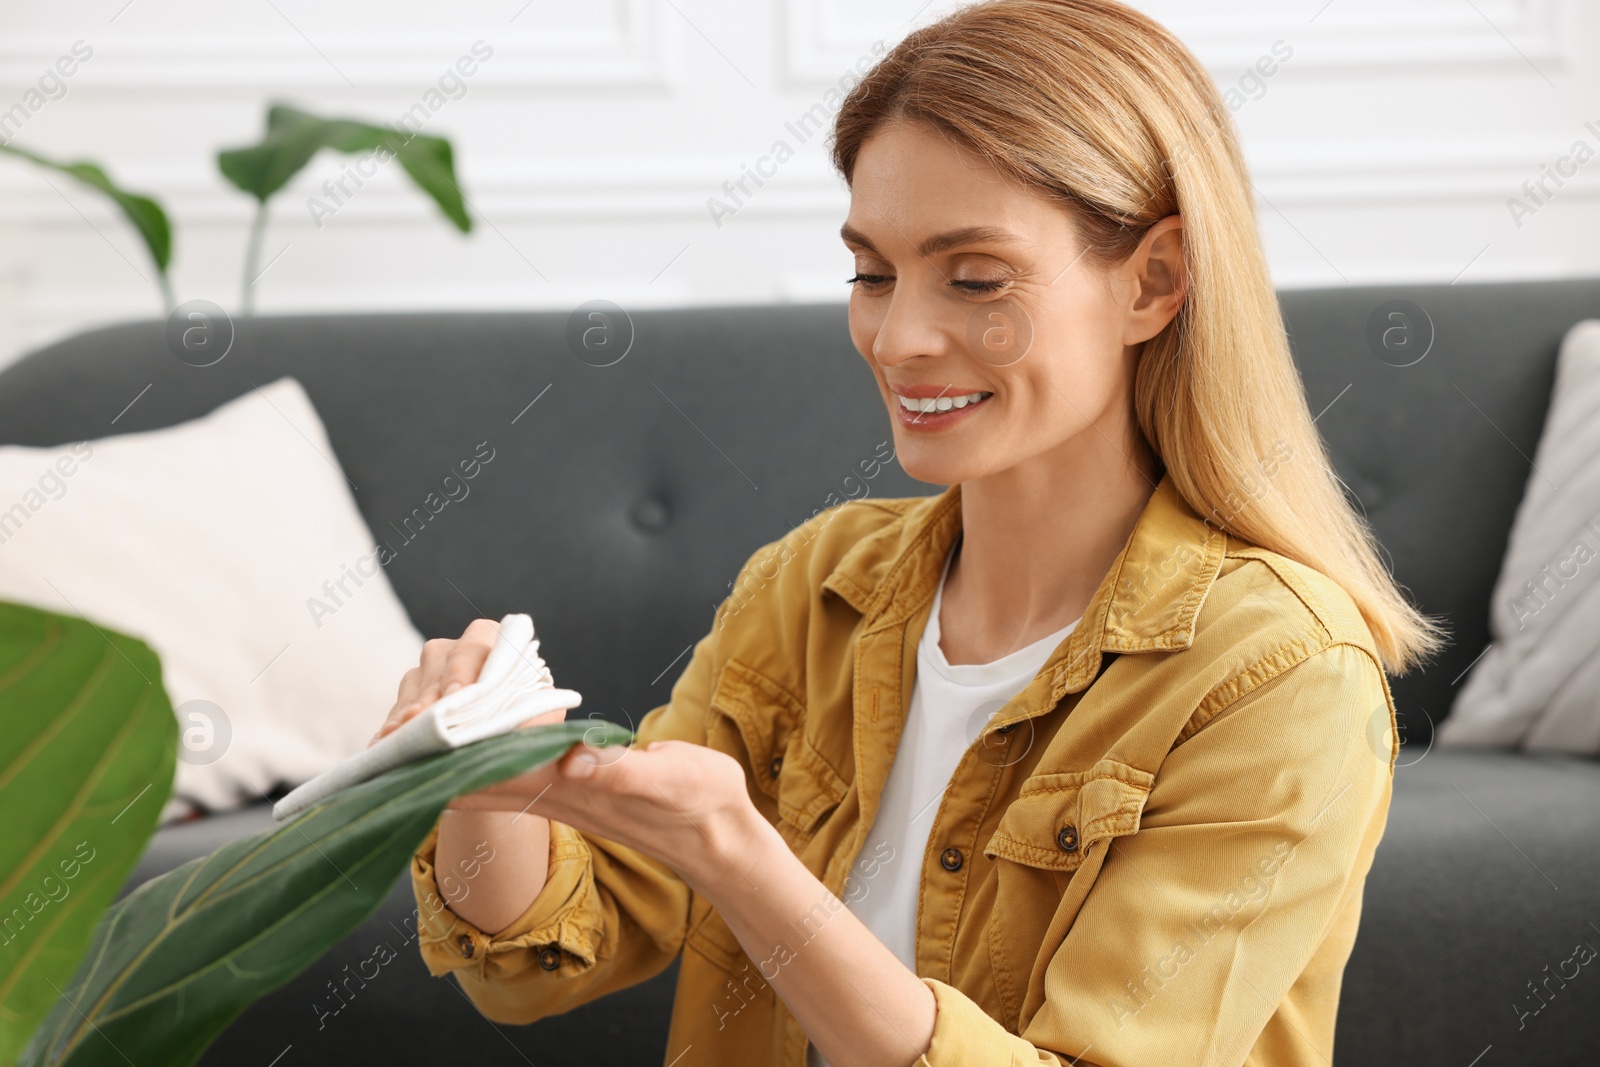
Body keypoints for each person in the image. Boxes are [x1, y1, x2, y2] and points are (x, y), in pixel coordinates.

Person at [371, 2, 1446, 1063]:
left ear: (1154, 281)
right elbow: (547, 950)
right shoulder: (812, 583)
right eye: (871, 273)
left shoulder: (1276, 676)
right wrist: (474, 782)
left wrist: (739, 854)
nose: (900, 336)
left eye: (974, 278)